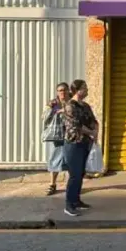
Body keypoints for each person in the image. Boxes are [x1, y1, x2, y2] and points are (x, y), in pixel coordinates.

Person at [61, 79, 99, 217]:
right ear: (77, 90)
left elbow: (93, 121)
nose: (87, 90)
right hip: (73, 144)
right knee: (74, 175)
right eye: (85, 87)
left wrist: (96, 132)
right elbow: (76, 125)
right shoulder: (70, 106)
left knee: (81, 173)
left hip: (85, 143)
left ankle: (76, 200)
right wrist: (91, 132)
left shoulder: (85, 106)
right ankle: (69, 205)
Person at [44, 82, 70, 196]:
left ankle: (71, 185)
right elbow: (43, 117)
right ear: (57, 92)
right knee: (54, 159)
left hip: (71, 135)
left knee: (71, 160)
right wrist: (51, 109)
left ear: (68, 90)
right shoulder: (53, 103)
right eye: (60, 90)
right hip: (57, 136)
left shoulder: (72, 102)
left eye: (64, 90)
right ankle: (52, 184)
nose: (62, 92)